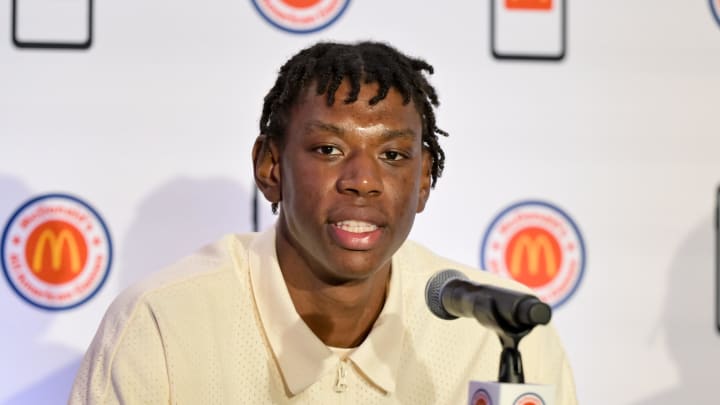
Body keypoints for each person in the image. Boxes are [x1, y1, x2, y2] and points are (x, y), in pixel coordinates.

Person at [69, 41, 577, 404]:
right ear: (270, 168)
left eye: (394, 155)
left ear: (423, 184)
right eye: (329, 149)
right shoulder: (165, 324)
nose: (363, 181)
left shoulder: (498, 331)